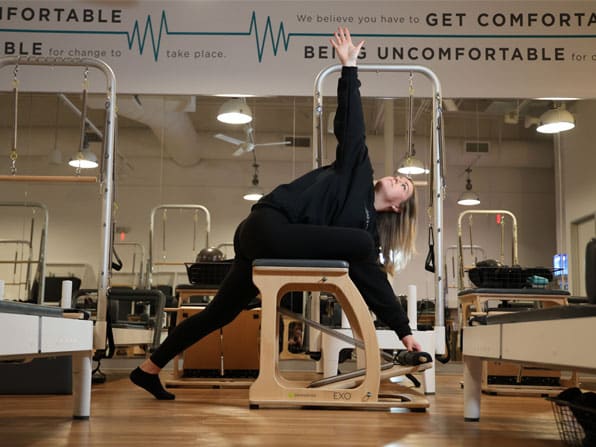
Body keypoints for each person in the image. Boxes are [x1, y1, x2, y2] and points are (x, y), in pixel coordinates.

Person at [130, 26, 421, 400]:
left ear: (397, 207)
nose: (398, 178)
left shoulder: (362, 237)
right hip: (268, 226)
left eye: (405, 186)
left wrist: (405, 332)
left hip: (265, 243)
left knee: (220, 313)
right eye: (400, 177)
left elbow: (373, 282)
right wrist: (349, 69)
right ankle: (153, 368)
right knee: (362, 247)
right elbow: (352, 127)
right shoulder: (357, 173)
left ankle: (147, 369)